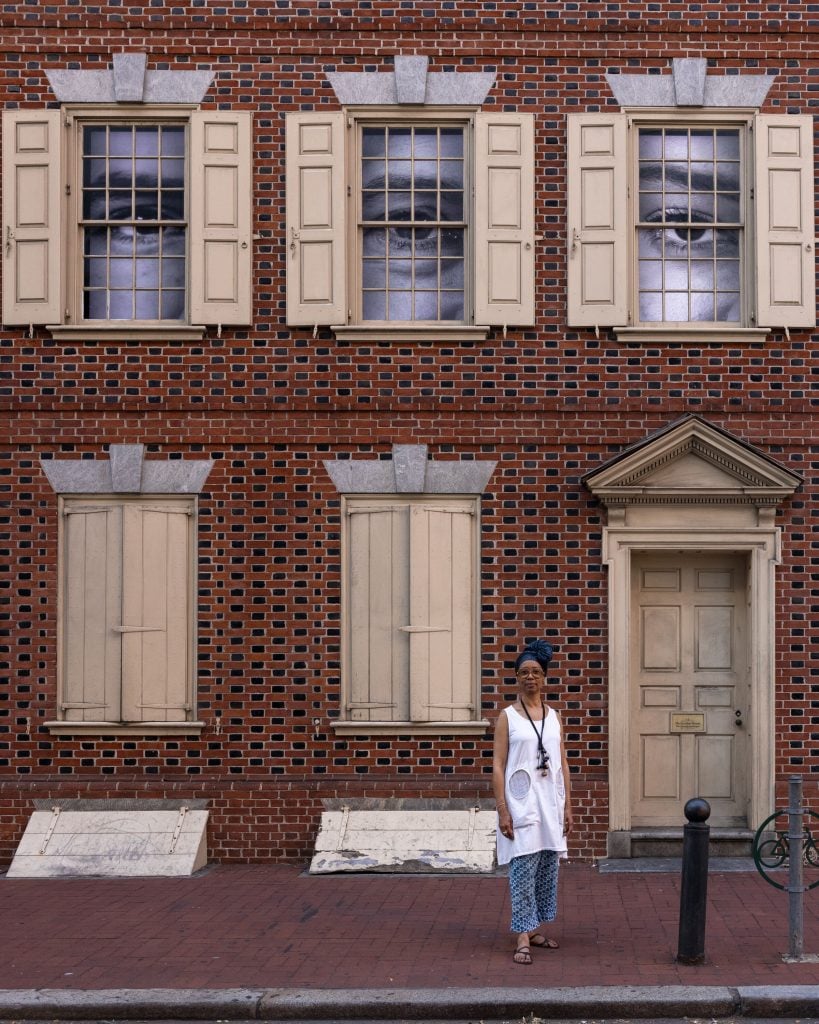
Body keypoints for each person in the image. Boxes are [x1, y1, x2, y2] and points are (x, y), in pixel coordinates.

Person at [493, 639, 573, 965]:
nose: (530, 677)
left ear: (545, 678)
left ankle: (535, 928)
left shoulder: (554, 717)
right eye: (524, 672)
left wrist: (568, 806)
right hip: (521, 803)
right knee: (522, 869)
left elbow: (562, 763)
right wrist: (501, 808)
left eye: (536, 672)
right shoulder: (507, 717)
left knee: (545, 869)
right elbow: (498, 765)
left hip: (549, 805)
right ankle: (522, 937)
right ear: (516, 677)